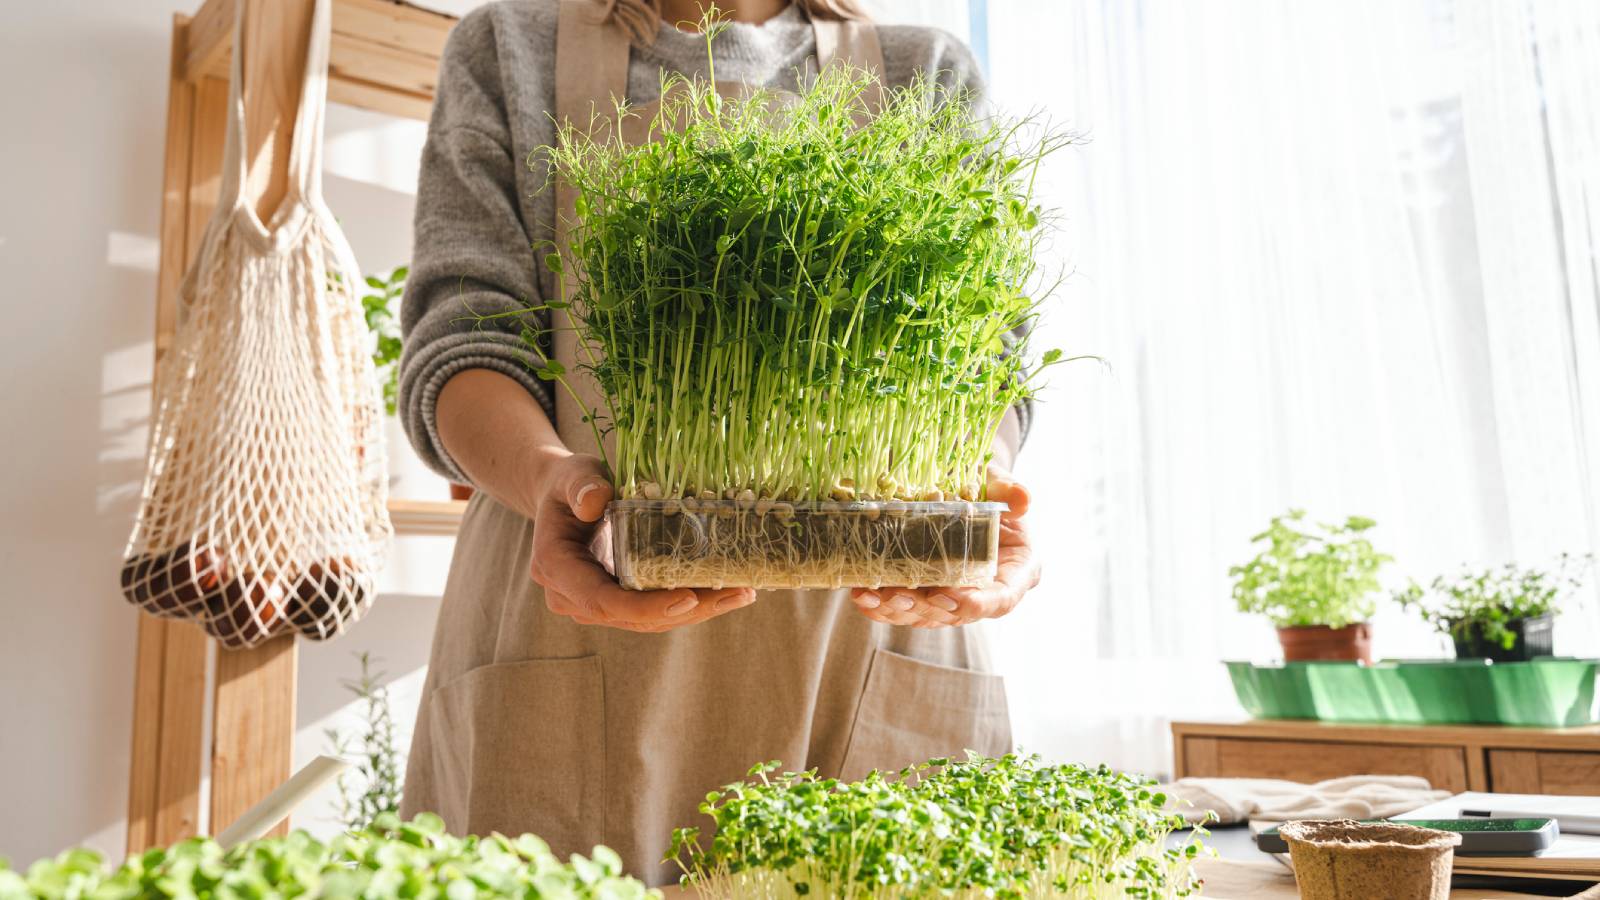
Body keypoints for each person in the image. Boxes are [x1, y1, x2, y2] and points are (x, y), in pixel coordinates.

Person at [396, 0, 1040, 884]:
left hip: (865, 633)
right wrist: (550, 477)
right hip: (573, 592)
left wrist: (980, 492)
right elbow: (464, 333)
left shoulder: (922, 68)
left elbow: (988, 358)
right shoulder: (506, 46)